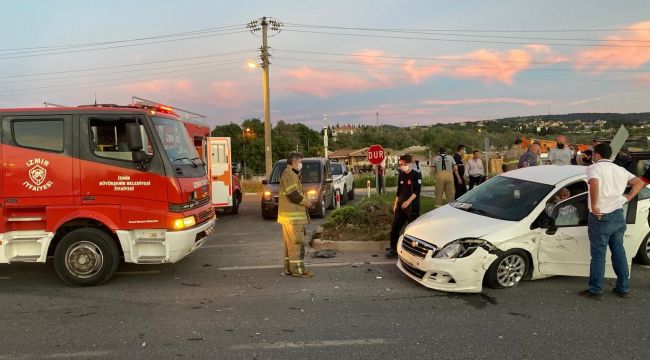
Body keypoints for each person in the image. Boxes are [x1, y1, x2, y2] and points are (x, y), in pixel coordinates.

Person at [580, 143, 646, 299]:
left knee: (598, 255)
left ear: (596, 155)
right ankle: (623, 288)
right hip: (618, 215)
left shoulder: (594, 168)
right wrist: (628, 198)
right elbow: (639, 182)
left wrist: (595, 205)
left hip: (600, 216)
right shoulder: (621, 170)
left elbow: (594, 183)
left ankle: (595, 290)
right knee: (619, 252)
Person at [277, 151, 314, 278]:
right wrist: (306, 202)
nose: (301, 164)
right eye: (300, 162)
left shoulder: (291, 174)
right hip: (292, 218)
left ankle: (289, 269)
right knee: (297, 244)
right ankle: (298, 270)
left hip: (289, 218)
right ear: (293, 162)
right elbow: (294, 195)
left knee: (290, 245)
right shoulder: (290, 174)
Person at [386, 154, 422, 259]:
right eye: (401, 164)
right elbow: (399, 191)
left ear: (410, 163)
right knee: (394, 229)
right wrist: (395, 204)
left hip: (411, 208)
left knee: (411, 232)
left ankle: (411, 252)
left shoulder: (416, 175)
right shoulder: (401, 175)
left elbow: (417, 191)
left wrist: (408, 201)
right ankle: (393, 249)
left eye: (404, 164)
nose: (402, 166)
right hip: (400, 207)